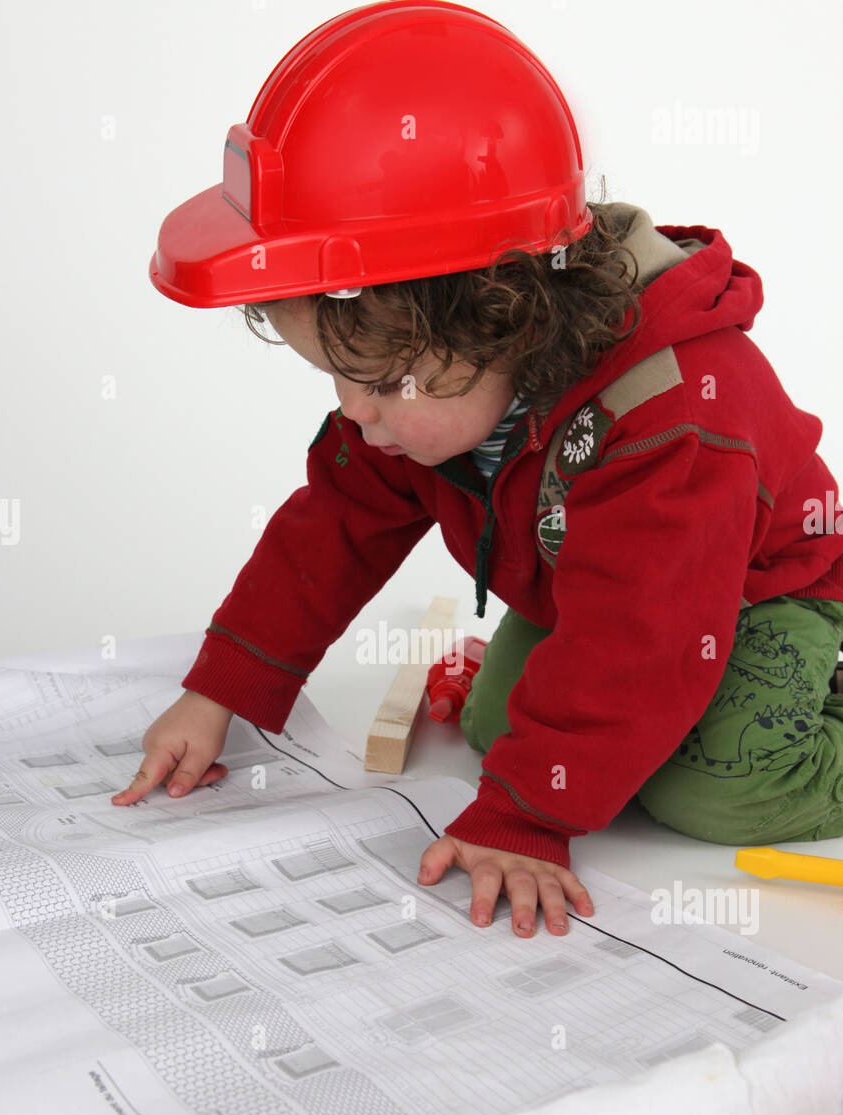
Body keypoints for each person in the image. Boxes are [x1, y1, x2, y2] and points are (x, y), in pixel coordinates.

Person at [112, 1, 843, 940]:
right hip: (596, 596)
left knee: (718, 790)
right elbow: (332, 529)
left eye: (375, 382)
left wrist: (528, 818)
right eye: (337, 377)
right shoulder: (422, 402)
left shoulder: (672, 417)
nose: (353, 413)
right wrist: (224, 688)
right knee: (506, 731)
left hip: (749, 601)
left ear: (501, 318)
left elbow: (646, 638)